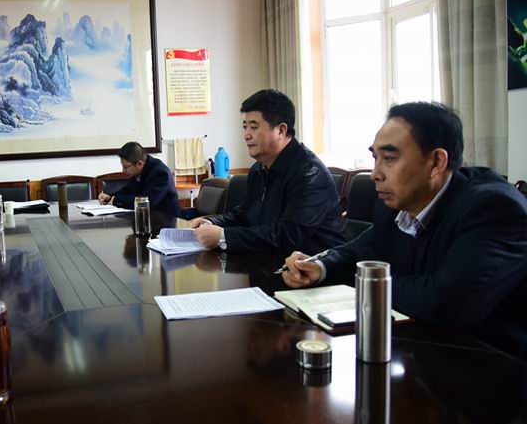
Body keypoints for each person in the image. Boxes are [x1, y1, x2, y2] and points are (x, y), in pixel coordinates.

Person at [281, 102, 527, 357]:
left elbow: (444, 303)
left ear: (436, 162)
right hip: (419, 347)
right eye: (375, 158)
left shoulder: (493, 208)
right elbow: (362, 250)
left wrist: (368, 282)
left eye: (389, 159)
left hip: (489, 361)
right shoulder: (393, 204)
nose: (375, 174)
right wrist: (319, 266)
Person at [191, 89, 345, 254]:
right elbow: (244, 216)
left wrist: (223, 237)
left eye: (254, 127)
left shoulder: (309, 174)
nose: (246, 135)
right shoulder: (259, 168)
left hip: (311, 266)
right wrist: (213, 223)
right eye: (245, 127)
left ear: (281, 131)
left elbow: (288, 236)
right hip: (269, 261)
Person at [98, 141, 180, 217]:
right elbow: (128, 190)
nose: (123, 170)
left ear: (139, 163)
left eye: (125, 167)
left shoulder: (161, 173)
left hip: (165, 220)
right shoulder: (141, 169)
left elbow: (146, 202)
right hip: (145, 217)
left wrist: (115, 200)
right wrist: (110, 196)